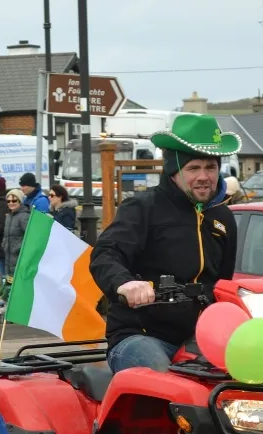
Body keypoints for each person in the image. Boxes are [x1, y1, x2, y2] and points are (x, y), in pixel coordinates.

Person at [90, 113, 242, 373]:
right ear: (174, 171)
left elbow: (222, 281)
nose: (204, 176)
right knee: (168, 385)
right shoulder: (142, 208)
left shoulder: (223, 217)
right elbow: (105, 253)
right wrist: (125, 284)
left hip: (203, 337)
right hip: (142, 335)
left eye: (211, 167)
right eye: (194, 168)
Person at [0, 189, 30, 314]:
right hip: (9, 255)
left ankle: (3, 301)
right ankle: (2, 300)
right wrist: (4, 245)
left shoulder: (24, 217)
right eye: (9, 201)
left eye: (14, 200)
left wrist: (19, 248)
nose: (11, 203)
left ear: (20, 201)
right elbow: (7, 237)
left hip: (18, 256)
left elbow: (29, 236)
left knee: (12, 282)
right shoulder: (9, 217)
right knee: (9, 280)